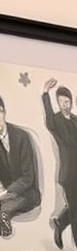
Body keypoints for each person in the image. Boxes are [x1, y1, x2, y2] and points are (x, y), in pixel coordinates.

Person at [42, 77, 77, 251]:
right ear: (58, 102)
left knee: (75, 207)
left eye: (68, 101)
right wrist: (45, 93)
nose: (66, 104)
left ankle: (59, 223)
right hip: (68, 172)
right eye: (63, 101)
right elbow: (48, 120)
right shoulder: (55, 121)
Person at [0, 96, 41, 239]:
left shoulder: (21, 137)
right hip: (6, 192)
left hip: (27, 192)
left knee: (6, 208)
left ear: (4, 112)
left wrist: (6, 193)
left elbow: (28, 177)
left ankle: (4, 215)